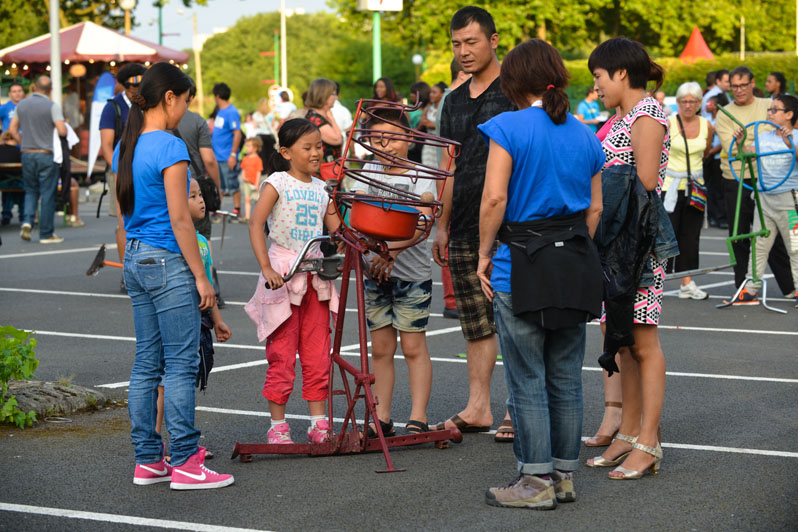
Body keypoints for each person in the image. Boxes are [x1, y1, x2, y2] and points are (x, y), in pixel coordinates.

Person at [476, 39, 604, 509]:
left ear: (512, 82)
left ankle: (534, 483)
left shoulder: (507, 126)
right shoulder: (586, 133)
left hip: (520, 262)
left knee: (527, 378)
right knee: (566, 377)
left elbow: (494, 199)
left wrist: (484, 254)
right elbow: (595, 209)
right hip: (573, 261)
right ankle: (563, 477)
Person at [113, 61, 233, 489]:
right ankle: (185, 461)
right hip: (167, 259)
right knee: (180, 366)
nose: (185, 110)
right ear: (169, 98)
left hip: (136, 257)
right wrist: (202, 278)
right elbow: (182, 220)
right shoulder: (169, 146)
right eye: (184, 101)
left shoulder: (127, 146)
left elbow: (124, 218)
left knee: (147, 363)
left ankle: (149, 460)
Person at [586, 37, 677, 480]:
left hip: (636, 241)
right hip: (615, 242)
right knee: (621, 338)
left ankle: (649, 440)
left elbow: (643, 183)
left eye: (599, 77)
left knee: (643, 340)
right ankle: (629, 433)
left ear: (621, 73)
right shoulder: (623, 115)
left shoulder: (648, 114)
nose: (597, 86)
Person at [432, 6, 516, 441]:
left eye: (472, 42)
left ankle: (517, 408)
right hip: (463, 223)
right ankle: (478, 406)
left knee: (516, 319)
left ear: (493, 41)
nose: (464, 51)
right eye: (457, 44)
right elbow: (449, 165)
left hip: (512, 224)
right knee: (475, 323)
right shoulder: (452, 102)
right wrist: (441, 226)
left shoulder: (517, 91)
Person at [245, 118, 340, 445]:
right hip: (283, 279)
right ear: (286, 151)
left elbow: (337, 231)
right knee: (282, 354)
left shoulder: (322, 188)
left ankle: (318, 424)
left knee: (317, 352)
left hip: (316, 278)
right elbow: (257, 224)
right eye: (308, 148)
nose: (316, 153)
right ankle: (278, 426)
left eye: (319, 147)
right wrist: (267, 267)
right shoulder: (278, 182)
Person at [350, 109, 437, 436]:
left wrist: (393, 253)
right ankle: (381, 416)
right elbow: (360, 212)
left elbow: (423, 221)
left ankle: (418, 417)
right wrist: (374, 252)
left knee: (414, 347)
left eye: (392, 137)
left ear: (410, 138)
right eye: (376, 137)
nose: (383, 144)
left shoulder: (420, 176)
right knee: (382, 348)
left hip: (410, 273)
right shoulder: (369, 171)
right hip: (376, 271)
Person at [155, 177, 232, 461]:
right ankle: (160, 446)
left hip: (198, 323)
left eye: (200, 194)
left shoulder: (202, 243)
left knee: (187, 381)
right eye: (192, 195)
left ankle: (182, 442)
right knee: (166, 384)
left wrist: (218, 320)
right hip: (175, 319)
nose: (201, 200)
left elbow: (208, 284)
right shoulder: (169, 240)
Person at [715, 66, 796, 302]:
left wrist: (786, 138)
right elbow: (739, 150)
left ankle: (792, 286)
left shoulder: (776, 118)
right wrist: (741, 143)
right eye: (734, 86)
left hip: (778, 188)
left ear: (752, 84)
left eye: (743, 85)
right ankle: (746, 288)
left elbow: (785, 144)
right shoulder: (731, 116)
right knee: (747, 238)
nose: (738, 90)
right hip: (745, 184)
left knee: (786, 241)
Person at [731, 94, 798, 304]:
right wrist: (741, 144)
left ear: (789, 114)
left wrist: (789, 142)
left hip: (789, 201)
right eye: (769, 109)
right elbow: (746, 156)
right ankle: (751, 287)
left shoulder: (796, 136)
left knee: (795, 248)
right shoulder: (764, 137)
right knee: (759, 245)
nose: (770, 113)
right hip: (764, 199)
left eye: (775, 110)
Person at [173, 81, 225, 306]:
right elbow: (209, 159)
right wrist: (217, 188)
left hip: (169, 187)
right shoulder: (197, 121)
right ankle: (212, 287)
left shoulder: (155, 124)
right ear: (191, 97)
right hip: (194, 185)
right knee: (203, 237)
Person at [662, 81, 713, 300]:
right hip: (669, 186)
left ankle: (687, 281)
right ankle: (657, 280)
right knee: (666, 234)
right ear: (678, 102)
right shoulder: (668, 122)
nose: (688, 105)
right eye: (684, 101)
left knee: (691, 236)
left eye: (693, 101)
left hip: (695, 187)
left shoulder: (706, 125)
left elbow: (706, 152)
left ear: (700, 103)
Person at [6, 75, 67, 244]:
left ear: (34, 87)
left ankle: (26, 221)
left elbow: (12, 129)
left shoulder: (22, 105)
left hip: (27, 153)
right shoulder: (52, 106)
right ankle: (46, 234)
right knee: (47, 194)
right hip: (46, 154)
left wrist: (22, 142)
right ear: (51, 90)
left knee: (31, 190)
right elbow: (62, 131)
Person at [100, 63, 147, 270]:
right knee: (124, 222)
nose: (137, 89)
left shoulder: (148, 104)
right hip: (121, 170)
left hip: (145, 169)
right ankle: (126, 272)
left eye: (141, 84)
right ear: (124, 85)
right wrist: (120, 171)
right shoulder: (113, 107)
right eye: (132, 85)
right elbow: (107, 146)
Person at [436, 60, 470, 321]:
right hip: (452, 177)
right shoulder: (452, 100)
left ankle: (455, 298)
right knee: (451, 239)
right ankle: (452, 299)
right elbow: (448, 156)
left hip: (451, 175)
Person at [211, 82, 243, 218]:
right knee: (220, 185)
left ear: (217, 96)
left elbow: (237, 133)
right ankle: (218, 209)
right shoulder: (221, 112)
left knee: (232, 183)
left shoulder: (231, 111)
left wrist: (233, 155)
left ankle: (236, 210)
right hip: (217, 156)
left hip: (226, 156)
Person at [304, 78, 343, 180]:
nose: (335, 97)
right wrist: (332, 120)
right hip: (323, 175)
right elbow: (337, 139)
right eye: (333, 94)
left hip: (327, 172)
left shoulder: (317, 116)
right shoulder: (316, 119)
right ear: (323, 96)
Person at [0, 81, 25, 225]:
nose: (17, 93)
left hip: (24, 148)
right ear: (10, 94)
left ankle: (23, 213)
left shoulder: (27, 107)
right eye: (14, 91)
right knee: (6, 181)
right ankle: (7, 213)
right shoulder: (4, 108)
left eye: (19, 90)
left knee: (22, 182)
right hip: (7, 148)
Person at [704, 92, 729, 228]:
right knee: (710, 188)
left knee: (719, 189)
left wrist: (710, 152)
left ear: (715, 106)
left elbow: (722, 142)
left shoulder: (722, 119)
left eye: (709, 102)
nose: (706, 105)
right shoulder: (707, 118)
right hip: (709, 158)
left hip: (718, 158)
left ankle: (722, 217)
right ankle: (713, 215)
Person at [420, 82, 447, 169]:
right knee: (427, 169)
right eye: (430, 92)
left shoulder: (445, 109)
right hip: (428, 144)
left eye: (434, 92)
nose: (431, 95)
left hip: (440, 145)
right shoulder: (427, 109)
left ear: (442, 94)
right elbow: (423, 123)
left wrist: (432, 124)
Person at [239, 136, 264, 222]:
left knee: (256, 200)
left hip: (255, 183)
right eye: (246, 146)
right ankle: (247, 216)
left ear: (255, 148)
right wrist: (243, 176)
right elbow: (243, 169)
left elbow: (258, 172)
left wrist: (257, 183)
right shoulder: (245, 158)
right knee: (247, 198)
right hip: (247, 183)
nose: (246, 148)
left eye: (249, 146)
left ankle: (257, 216)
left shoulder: (258, 159)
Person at [407, 81, 431, 163]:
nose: (411, 95)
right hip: (412, 144)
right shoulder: (408, 109)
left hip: (425, 144)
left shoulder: (430, 108)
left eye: (413, 93)